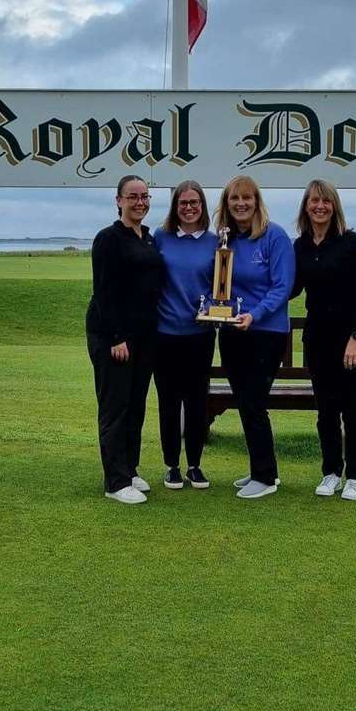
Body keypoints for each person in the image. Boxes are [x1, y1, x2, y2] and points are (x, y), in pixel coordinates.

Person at [291, 179, 356, 501]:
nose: (319, 206)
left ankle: (355, 476)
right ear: (306, 206)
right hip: (318, 339)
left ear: (334, 206)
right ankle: (330, 472)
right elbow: (293, 288)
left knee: (352, 409)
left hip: (349, 340)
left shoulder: (352, 243)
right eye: (314, 201)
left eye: (325, 201)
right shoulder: (301, 246)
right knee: (325, 411)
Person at [215, 176, 296, 499]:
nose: (240, 203)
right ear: (227, 203)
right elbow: (219, 286)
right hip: (233, 331)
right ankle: (260, 470)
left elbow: (283, 286)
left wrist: (255, 314)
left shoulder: (274, 236)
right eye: (234, 198)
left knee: (253, 401)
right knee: (245, 402)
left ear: (257, 201)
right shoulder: (226, 239)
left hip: (266, 332)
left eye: (246, 198)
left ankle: (265, 476)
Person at [86, 176, 164, 503]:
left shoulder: (147, 238)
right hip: (114, 337)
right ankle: (115, 482)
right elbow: (104, 291)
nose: (140, 202)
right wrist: (116, 336)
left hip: (145, 336)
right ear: (119, 200)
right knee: (115, 407)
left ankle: (129, 469)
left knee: (135, 407)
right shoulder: (108, 239)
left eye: (145, 196)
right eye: (133, 197)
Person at [152, 182, 219, 490]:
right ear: (175, 206)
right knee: (168, 401)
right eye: (183, 203)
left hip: (200, 335)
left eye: (194, 202)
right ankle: (171, 466)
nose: (189, 207)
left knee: (196, 402)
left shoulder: (216, 242)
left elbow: (222, 287)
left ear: (202, 205)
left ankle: (195, 464)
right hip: (165, 334)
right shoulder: (161, 237)